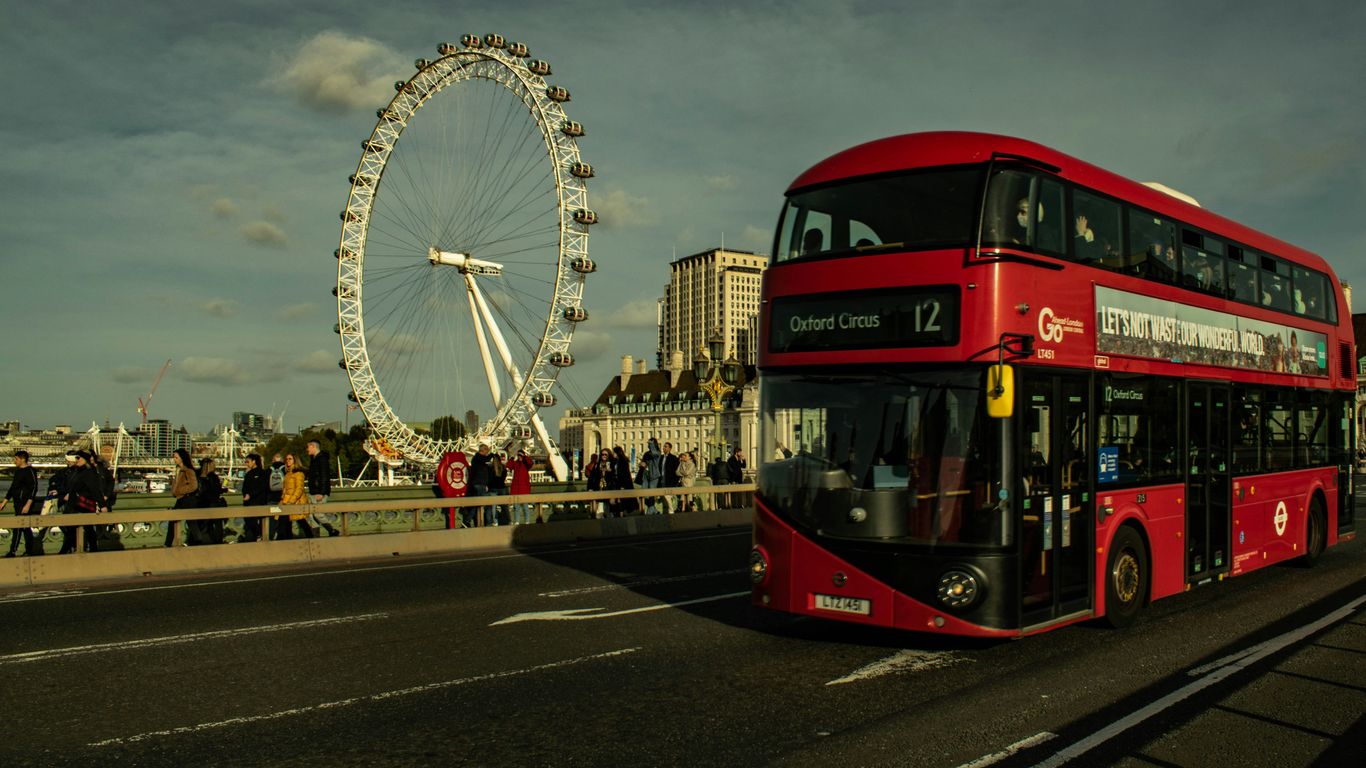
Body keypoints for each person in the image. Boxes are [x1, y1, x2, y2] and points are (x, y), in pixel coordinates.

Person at [2, 450, 41, 557]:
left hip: (24, 503)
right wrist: (4, 502)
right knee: (25, 527)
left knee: (18, 527)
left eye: (16, 459)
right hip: (17, 502)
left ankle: (13, 551)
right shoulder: (18, 472)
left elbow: (33, 488)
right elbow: (12, 488)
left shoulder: (30, 471)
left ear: (23, 459)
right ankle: (30, 550)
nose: (14, 461)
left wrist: (28, 504)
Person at [64, 450, 104, 553]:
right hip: (76, 504)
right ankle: (93, 549)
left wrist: (102, 505)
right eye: (76, 458)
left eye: (79, 458)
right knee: (86, 528)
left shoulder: (88, 473)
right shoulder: (78, 471)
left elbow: (95, 490)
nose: (76, 460)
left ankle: (65, 551)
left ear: (85, 460)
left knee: (74, 529)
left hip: (82, 505)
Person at [305, 440, 340, 537]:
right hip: (313, 491)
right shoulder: (314, 459)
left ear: (313, 446)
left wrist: (322, 492)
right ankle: (316, 536)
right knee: (311, 515)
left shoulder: (322, 459)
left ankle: (332, 530)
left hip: (318, 492)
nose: (307, 449)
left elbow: (324, 477)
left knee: (317, 514)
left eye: (308, 447)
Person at [166, 448, 198, 547]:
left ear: (182, 458)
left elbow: (194, 486)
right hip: (180, 499)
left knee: (190, 522)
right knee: (175, 521)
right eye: (174, 457)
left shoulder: (188, 470)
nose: (174, 459)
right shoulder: (178, 470)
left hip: (187, 499)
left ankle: (197, 541)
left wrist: (181, 491)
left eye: (176, 457)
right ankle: (168, 543)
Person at [239, 453, 269, 542]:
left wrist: (250, 495)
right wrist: (245, 495)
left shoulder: (261, 473)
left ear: (254, 461)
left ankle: (258, 535)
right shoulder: (249, 473)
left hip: (257, 501)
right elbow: (245, 488)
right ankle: (257, 536)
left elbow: (261, 487)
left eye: (248, 461)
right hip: (250, 502)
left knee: (254, 520)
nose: (246, 464)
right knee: (250, 520)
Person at [280, 452, 312, 537]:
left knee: (301, 521)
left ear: (295, 460)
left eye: (290, 459)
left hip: (296, 502)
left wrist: (292, 500)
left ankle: (311, 538)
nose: (287, 461)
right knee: (286, 523)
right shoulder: (287, 474)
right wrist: (283, 498)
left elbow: (299, 489)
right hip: (286, 501)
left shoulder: (299, 473)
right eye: (286, 459)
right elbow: (285, 488)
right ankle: (288, 540)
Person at [196, 458, 226, 544]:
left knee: (205, 523)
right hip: (212, 502)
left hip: (202, 503)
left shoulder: (198, 476)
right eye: (213, 464)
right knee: (217, 523)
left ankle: (203, 539)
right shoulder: (213, 477)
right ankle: (216, 539)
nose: (215, 466)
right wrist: (223, 490)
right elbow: (216, 490)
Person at [508, 449, 535, 524]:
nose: (519, 457)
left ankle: (527, 521)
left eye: (520, 455)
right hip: (516, 488)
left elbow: (530, 463)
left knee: (525, 507)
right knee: (516, 507)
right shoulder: (516, 463)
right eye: (518, 455)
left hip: (524, 489)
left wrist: (524, 457)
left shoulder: (526, 464)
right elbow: (509, 466)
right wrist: (512, 458)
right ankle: (517, 521)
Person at [468, 444, 493, 527]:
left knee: (478, 504)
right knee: (480, 504)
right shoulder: (478, 457)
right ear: (483, 450)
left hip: (479, 484)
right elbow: (486, 459)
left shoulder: (477, 459)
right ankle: (468, 520)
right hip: (479, 483)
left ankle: (471, 521)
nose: (487, 453)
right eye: (487, 451)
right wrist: (492, 455)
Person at [611, 446, 636, 516]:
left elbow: (625, 474)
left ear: (617, 453)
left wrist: (623, 485)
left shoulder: (623, 461)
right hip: (616, 482)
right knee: (618, 499)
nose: (613, 454)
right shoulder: (615, 461)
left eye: (614, 452)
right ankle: (619, 513)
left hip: (622, 483)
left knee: (621, 499)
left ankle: (621, 514)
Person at [267, 453, 287, 539]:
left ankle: (270, 536)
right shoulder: (286, 469)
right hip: (282, 498)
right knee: (283, 519)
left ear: (272, 460)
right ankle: (282, 537)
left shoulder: (269, 470)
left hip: (271, 498)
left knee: (272, 520)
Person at [640, 438, 662, 514]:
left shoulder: (658, 453)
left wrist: (652, 444)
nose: (649, 445)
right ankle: (654, 510)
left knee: (651, 494)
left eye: (650, 444)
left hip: (654, 475)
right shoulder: (646, 453)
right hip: (645, 474)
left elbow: (654, 454)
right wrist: (642, 464)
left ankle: (650, 511)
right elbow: (643, 461)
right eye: (648, 444)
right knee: (644, 494)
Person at [586, 449, 608, 518]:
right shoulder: (596, 465)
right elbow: (592, 478)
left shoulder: (611, 464)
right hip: (598, 488)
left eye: (605, 454)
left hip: (608, 489)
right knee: (597, 508)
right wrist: (590, 488)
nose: (604, 456)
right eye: (602, 454)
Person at [660, 441, 681, 514]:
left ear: (670, 448)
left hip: (670, 480)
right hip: (662, 480)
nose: (664, 448)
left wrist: (675, 481)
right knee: (664, 496)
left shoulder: (673, 458)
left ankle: (671, 510)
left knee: (667, 496)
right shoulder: (661, 457)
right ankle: (668, 510)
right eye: (663, 446)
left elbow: (677, 471)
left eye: (666, 446)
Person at [489, 452, 508, 525]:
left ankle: (495, 521)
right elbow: (504, 477)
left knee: (493, 506)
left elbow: (490, 479)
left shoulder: (491, 468)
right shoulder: (503, 468)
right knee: (504, 506)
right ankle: (508, 519)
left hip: (493, 488)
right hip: (502, 487)